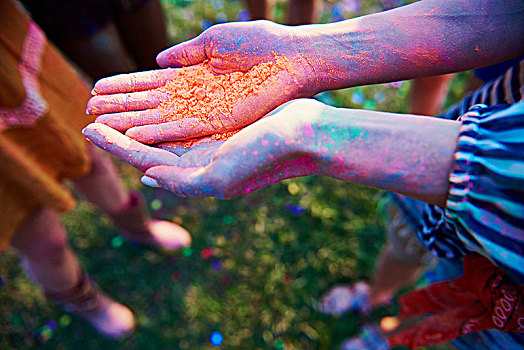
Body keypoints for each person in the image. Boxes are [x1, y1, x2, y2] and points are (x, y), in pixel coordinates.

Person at [83, 0, 524, 347]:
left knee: (469, 308)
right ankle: (377, 295)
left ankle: (389, 329)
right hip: (480, 128)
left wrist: (313, 135)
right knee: (413, 236)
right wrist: (309, 54)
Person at [0, 0, 190, 339]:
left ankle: (138, 228)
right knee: (44, 238)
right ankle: (87, 303)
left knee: (89, 159)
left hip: (9, 68)